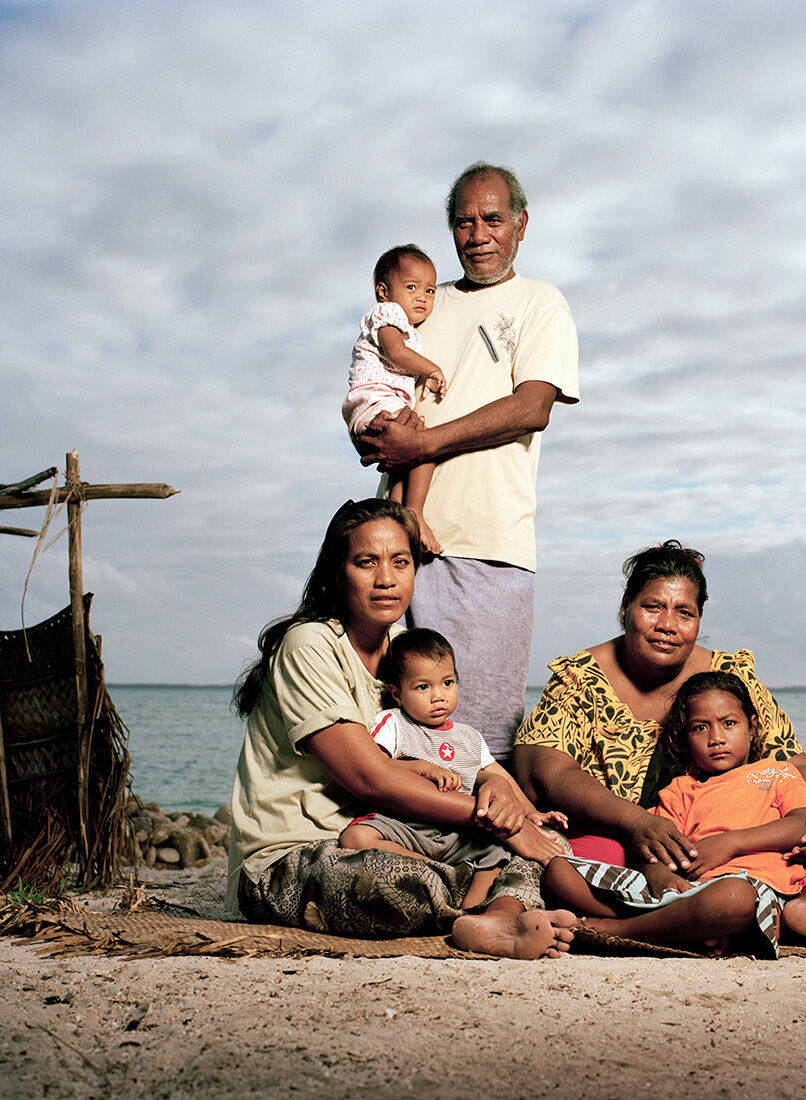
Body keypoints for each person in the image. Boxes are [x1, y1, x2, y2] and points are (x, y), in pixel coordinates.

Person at [514, 540, 806, 953]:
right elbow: (550, 770)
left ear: (699, 618)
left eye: (684, 612)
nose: (668, 624)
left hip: (730, 838)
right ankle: (708, 918)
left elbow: (790, 757)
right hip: (628, 836)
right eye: (653, 607)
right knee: (576, 859)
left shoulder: (726, 674)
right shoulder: (580, 676)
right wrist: (636, 824)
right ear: (625, 609)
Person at [226, 497, 576, 960]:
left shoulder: (401, 653)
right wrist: (494, 820)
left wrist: (502, 792)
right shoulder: (309, 644)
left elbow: (453, 745)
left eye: (401, 562)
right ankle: (493, 904)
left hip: (396, 836)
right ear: (337, 571)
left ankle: (492, 918)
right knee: (387, 881)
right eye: (366, 562)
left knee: (550, 843)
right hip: (295, 858)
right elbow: (369, 778)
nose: (386, 578)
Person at [357, 162, 580, 762]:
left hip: (488, 546)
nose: (478, 233)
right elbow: (375, 371)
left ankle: (494, 853)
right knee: (388, 724)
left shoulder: (541, 304)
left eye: (493, 219)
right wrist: (371, 429)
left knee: (482, 737)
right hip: (396, 542)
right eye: (463, 222)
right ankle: (401, 849)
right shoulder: (423, 301)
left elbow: (532, 407)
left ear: (522, 225)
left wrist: (423, 445)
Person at [542, 671, 806, 957]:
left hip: (748, 890)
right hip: (680, 892)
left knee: (733, 898)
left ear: (752, 726)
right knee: (558, 872)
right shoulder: (680, 790)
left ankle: (616, 931)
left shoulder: (778, 773)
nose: (716, 738)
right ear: (684, 737)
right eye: (700, 728)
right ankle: (681, 931)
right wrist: (657, 874)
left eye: (729, 723)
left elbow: (802, 825)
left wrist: (732, 843)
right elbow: (656, 847)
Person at [339, 627, 568, 909]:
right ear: (397, 694)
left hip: (461, 833)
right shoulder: (394, 724)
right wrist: (420, 768)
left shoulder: (469, 737)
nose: (438, 696)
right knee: (355, 836)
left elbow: (499, 778)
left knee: (499, 853)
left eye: (447, 683)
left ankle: (469, 913)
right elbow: (377, 768)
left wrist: (532, 813)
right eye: (423, 687)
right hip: (409, 826)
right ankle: (435, 871)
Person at [341, 245, 446, 554]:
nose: (422, 297)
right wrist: (431, 370)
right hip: (374, 399)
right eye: (411, 287)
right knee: (424, 442)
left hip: (372, 404)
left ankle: (398, 513)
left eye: (429, 290)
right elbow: (395, 353)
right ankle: (415, 511)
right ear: (384, 291)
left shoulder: (406, 326)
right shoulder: (388, 314)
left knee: (404, 461)